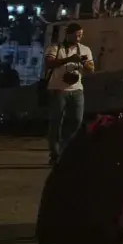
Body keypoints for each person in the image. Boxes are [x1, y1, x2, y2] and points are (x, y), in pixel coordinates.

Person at [43, 24, 94, 165]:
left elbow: (91, 69)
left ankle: (65, 149)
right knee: (56, 122)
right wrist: (69, 59)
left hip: (77, 90)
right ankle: (55, 153)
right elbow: (49, 63)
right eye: (76, 35)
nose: (78, 38)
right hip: (57, 89)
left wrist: (84, 62)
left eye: (80, 35)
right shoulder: (55, 48)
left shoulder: (85, 49)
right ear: (68, 34)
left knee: (76, 120)